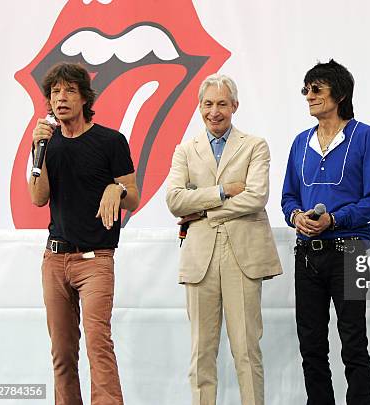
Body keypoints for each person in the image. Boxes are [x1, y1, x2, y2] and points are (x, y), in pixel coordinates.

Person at [166, 73, 282, 405]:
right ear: (199, 107)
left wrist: (203, 211)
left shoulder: (255, 145)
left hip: (243, 257)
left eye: (221, 104)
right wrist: (222, 191)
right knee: (201, 352)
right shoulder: (186, 150)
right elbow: (174, 199)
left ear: (234, 106)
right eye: (207, 104)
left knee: (246, 350)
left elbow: (257, 196)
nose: (214, 111)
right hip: (199, 259)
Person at [28, 62, 140, 405]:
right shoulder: (48, 142)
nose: (60, 98)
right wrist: (38, 151)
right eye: (55, 92)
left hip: (95, 260)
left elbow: (132, 194)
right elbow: (37, 197)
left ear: (83, 98)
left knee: (97, 344)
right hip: (55, 258)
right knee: (62, 353)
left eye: (69, 91)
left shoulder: (110, 141)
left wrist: (115, 189)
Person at [281, 59, 370, 405]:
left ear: (339, 94)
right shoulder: (300, 142)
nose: (308, 96)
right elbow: (287, 197)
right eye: (306, 90)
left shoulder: (366, 137)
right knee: (311, 345)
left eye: (316, 89)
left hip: (349, 253)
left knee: (353, 342)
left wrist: (335, 220)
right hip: (307, 255)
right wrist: (295, 215)